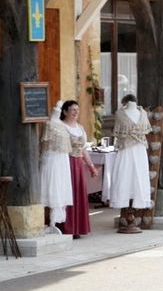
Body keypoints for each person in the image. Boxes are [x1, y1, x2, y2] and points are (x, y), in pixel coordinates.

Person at [60, 100, 99, 238]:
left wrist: (91, 167)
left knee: (78, 195)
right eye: (73, 110)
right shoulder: (61, 127)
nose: (76, 112)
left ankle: (77, 228)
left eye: (77, 109)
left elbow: (83, 150)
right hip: (65, 163)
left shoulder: (80, 128)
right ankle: (66, 227)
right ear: (65, 112)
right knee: (67, 194)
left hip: (78, 165)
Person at [110, 94, 152, 211]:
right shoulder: (119, 114)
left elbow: (146, 130)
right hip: (126, 149)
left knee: (139, 176)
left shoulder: (143, 114)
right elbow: (117, 132)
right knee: (124, 175)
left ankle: (138, 201)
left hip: (139, 149)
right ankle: (123, 201)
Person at [40, 101, 73, 232]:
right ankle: (47, 221)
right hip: (51, 159)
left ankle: (54, 222)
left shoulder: (62, 125)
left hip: (61, 161)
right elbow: (44, 144)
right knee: (50, 188)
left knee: (59, 187)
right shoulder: (49, 124)